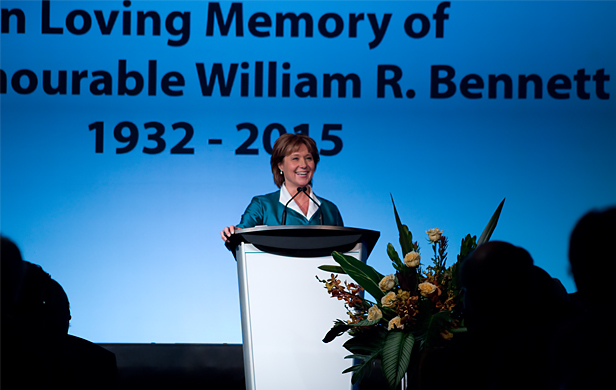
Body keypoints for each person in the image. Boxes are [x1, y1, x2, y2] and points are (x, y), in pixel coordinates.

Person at [221, 133, 343, 242]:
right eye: (295, 158)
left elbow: (345, 252)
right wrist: (233, 234)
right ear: (280, 165)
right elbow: (242, 233)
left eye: (308, 158)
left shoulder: (329, 209)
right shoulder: (262, 205)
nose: (304, 165)